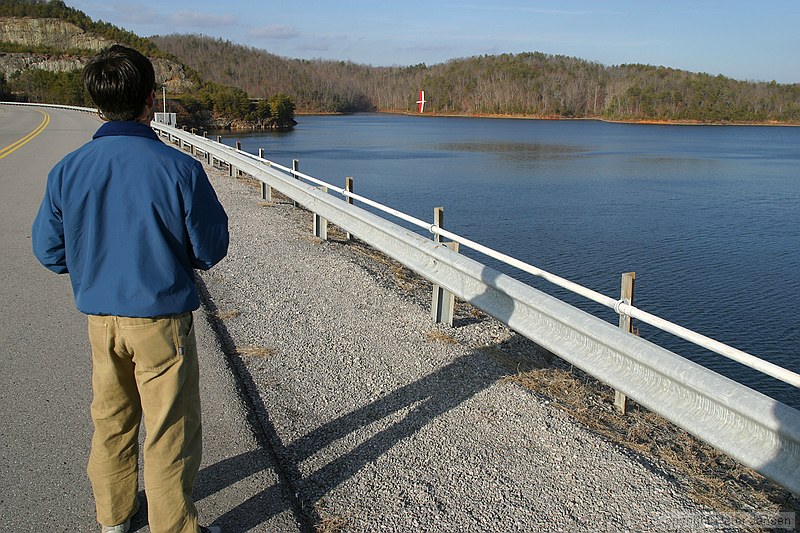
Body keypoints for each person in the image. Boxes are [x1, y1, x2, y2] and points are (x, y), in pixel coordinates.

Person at [31, 44, 228, 533]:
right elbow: (210, 247)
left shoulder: (68, 169)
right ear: (149, 101)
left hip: (101, 320)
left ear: (97, 106)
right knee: (169, 431)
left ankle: (115, 518)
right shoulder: (178, 168)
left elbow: (48, 249)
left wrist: (90, 267)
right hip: (161, 321)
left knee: (111, 422)